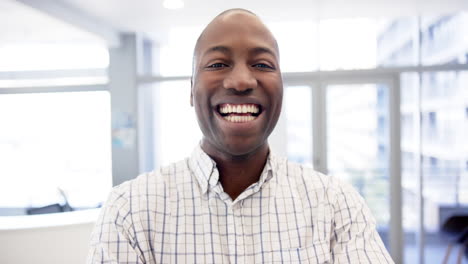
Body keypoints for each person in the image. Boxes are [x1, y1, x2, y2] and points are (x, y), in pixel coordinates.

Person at [87, 8, 394, 263]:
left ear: (282, 89)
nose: (242, 80)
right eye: (218, 64)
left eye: (261, 64)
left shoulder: (336, 206)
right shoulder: (130, 211)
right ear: (191, 90)